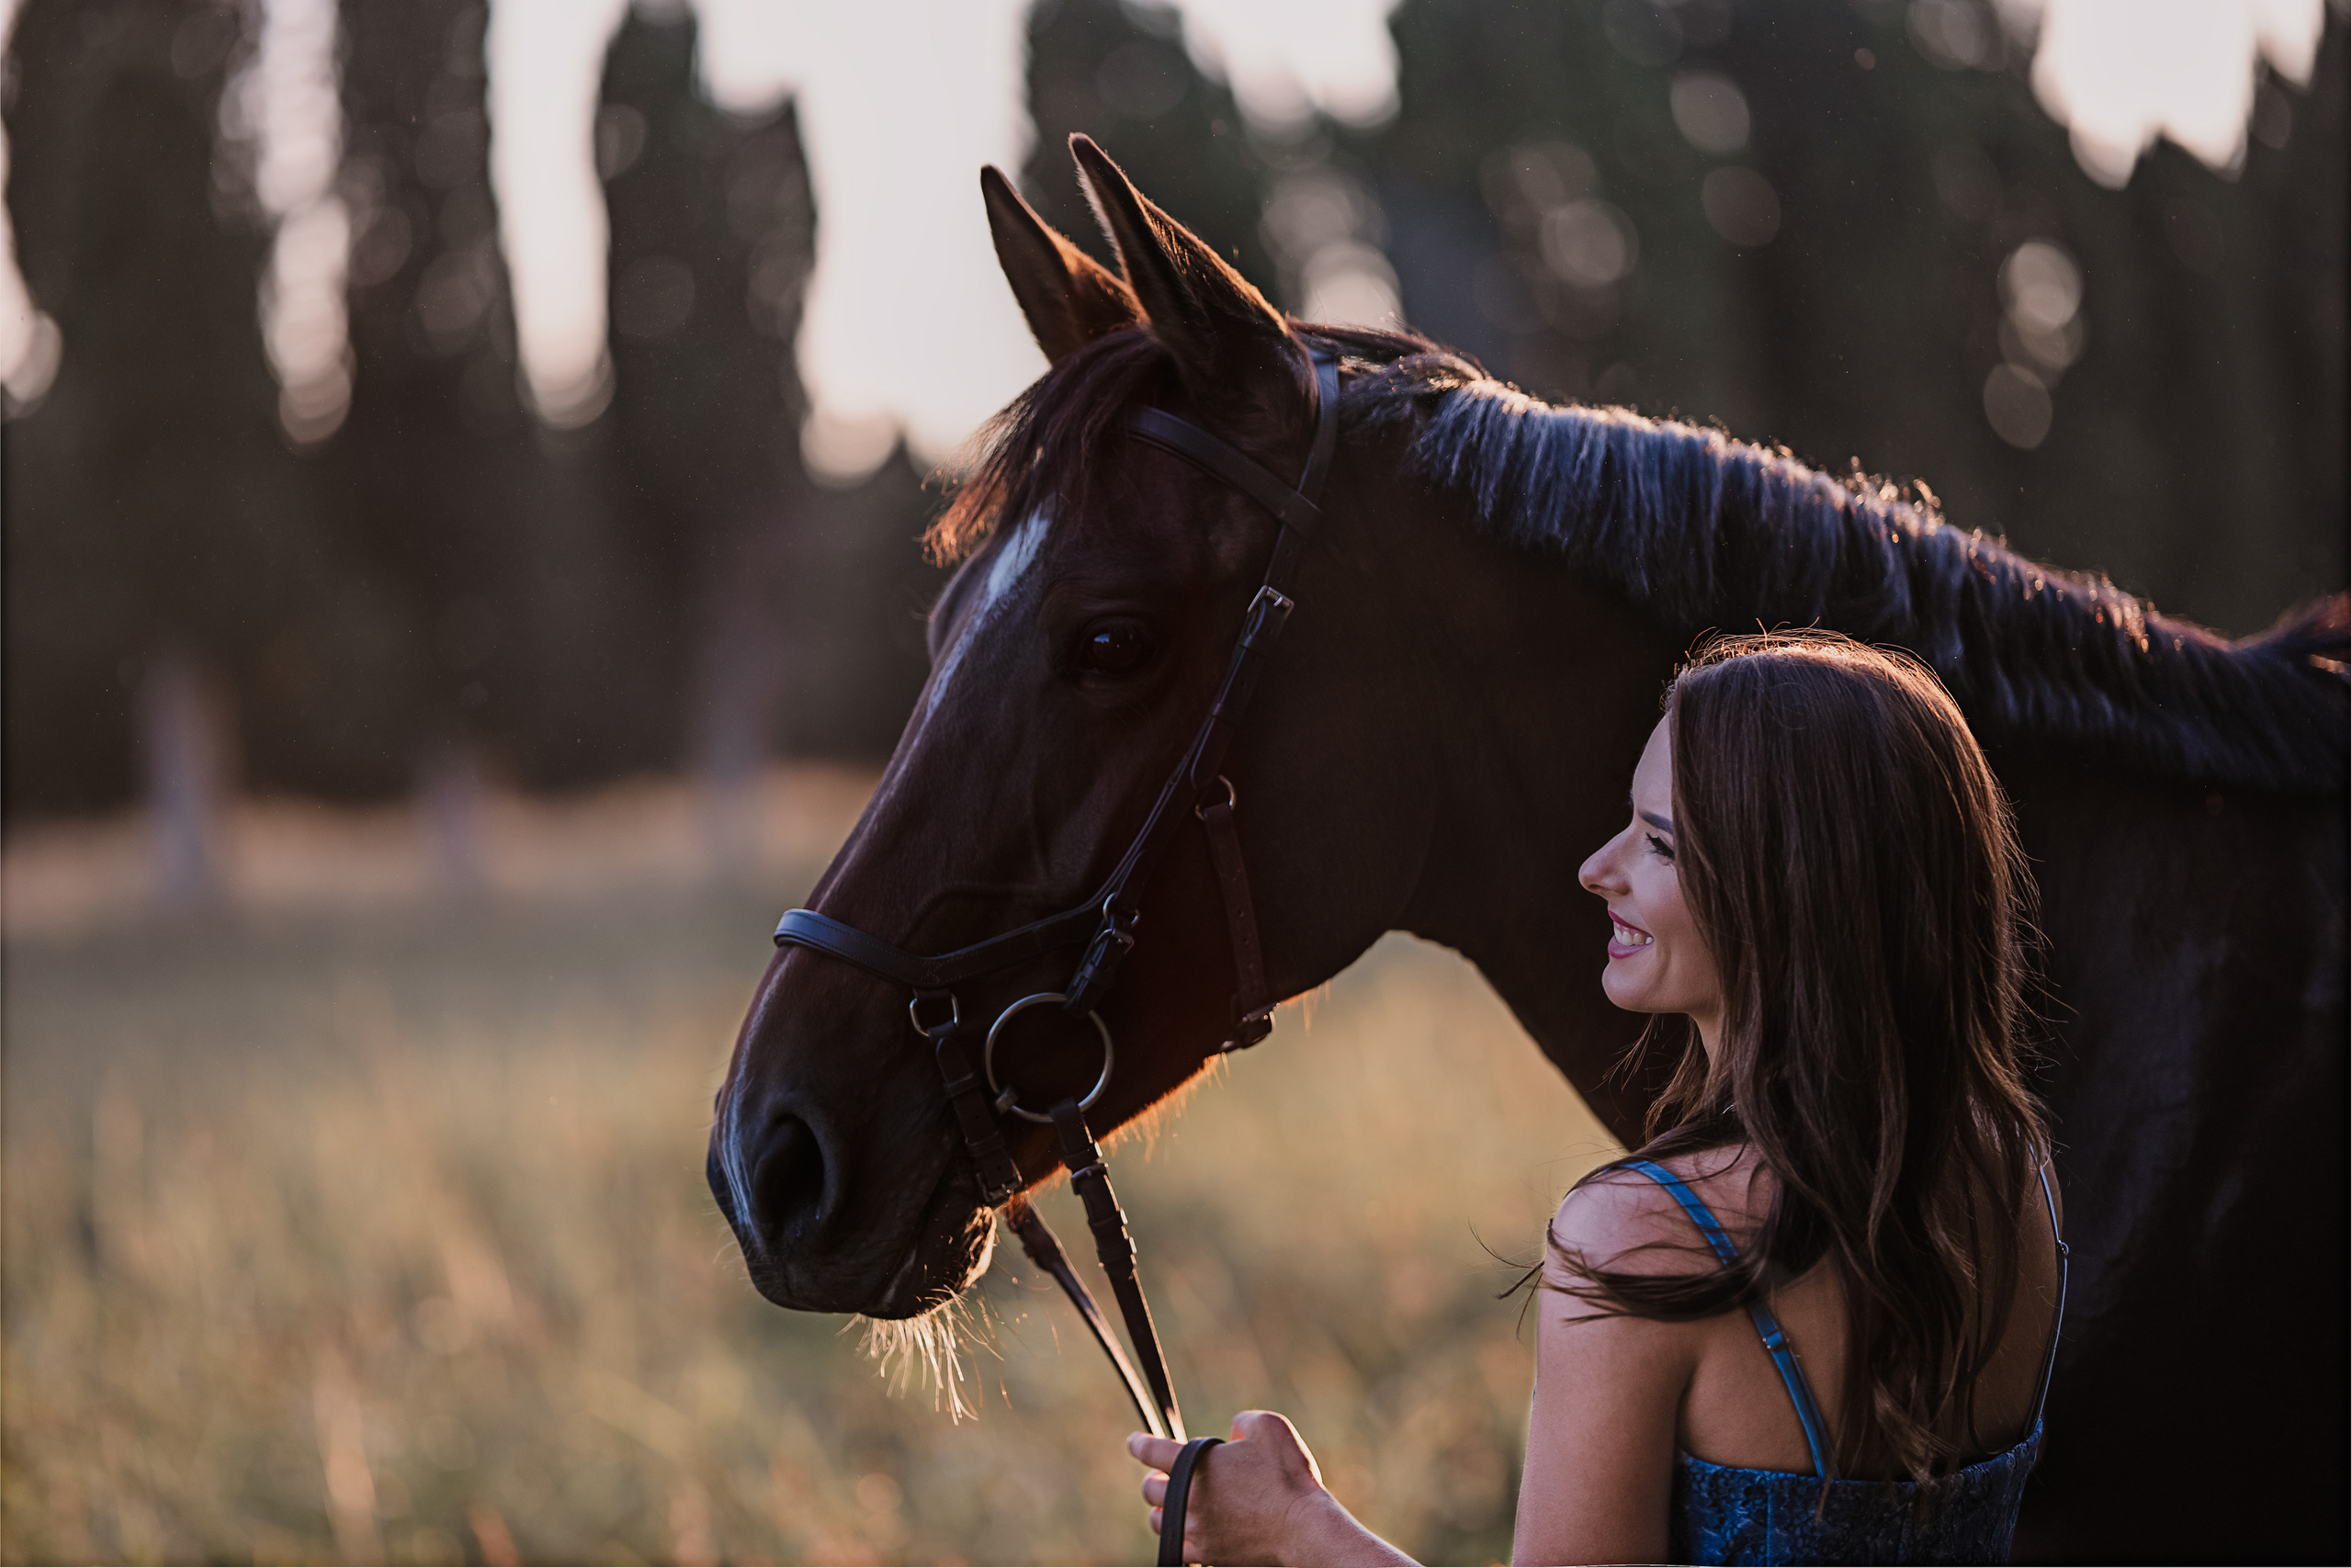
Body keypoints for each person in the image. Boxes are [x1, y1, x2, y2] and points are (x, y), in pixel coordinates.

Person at [1127, 632, 2067, 1566]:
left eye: (1658, 843)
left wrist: (1297, 1528)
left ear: (1788, 887)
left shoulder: (1644, 1242)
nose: (1596, 868)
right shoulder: (2011, 1170)